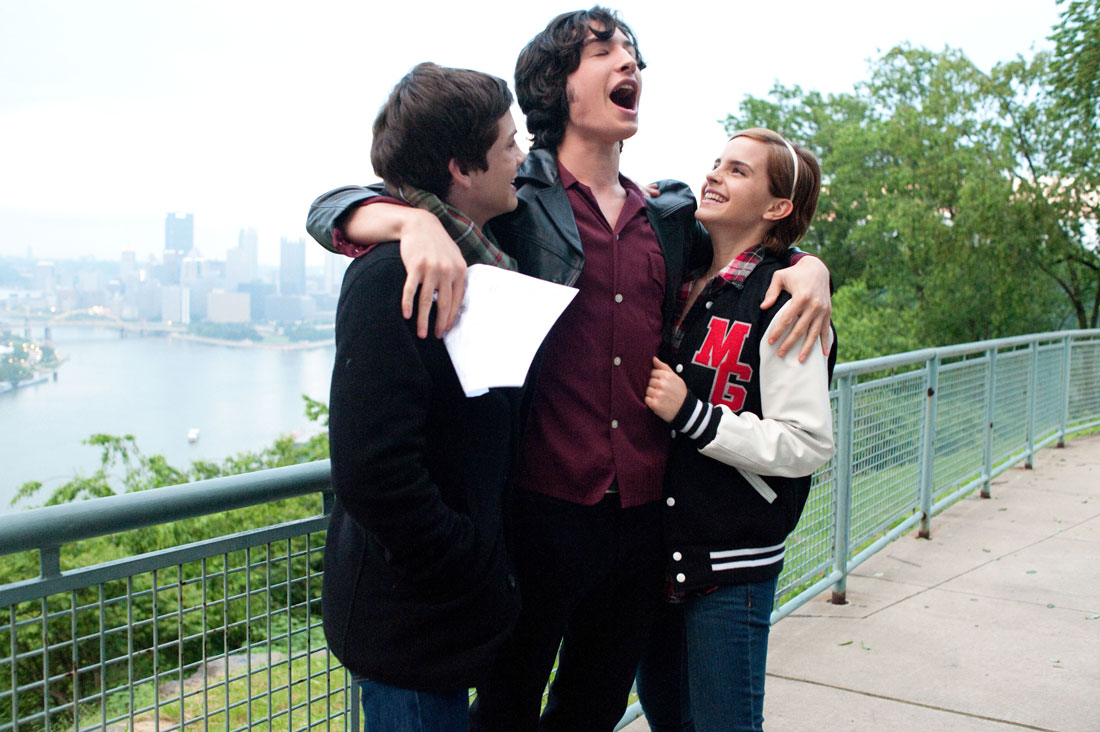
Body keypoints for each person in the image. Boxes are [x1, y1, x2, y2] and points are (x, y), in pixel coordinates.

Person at [307, 9, 833, 731]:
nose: (631, 66)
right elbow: (344, 202)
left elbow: (752, 248)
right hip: (537, 513)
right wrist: (407, 220)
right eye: (606, 52)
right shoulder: (512, 201)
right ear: (558, 86)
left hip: (645, 521)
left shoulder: (668, 218)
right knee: (509, 709)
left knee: (596, 706)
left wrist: (810, 269)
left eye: (635, 55)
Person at [321, 62, 527, 732]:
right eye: (507, 145)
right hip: (409, 623)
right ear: (462, 168)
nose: (521, 156)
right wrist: (464, 561)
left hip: (453, 620)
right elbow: (373, 469)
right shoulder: (390, 275)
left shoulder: (481, 258)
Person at [636, 129, 837, 732]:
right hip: (655, 554)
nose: (716, 176)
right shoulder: (680, 274)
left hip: (731, 563)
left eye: (739, 171)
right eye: (717, 164)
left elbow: (807, 442)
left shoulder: (787, 298)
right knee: (668, 720)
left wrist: (692, 414)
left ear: (777, 207)